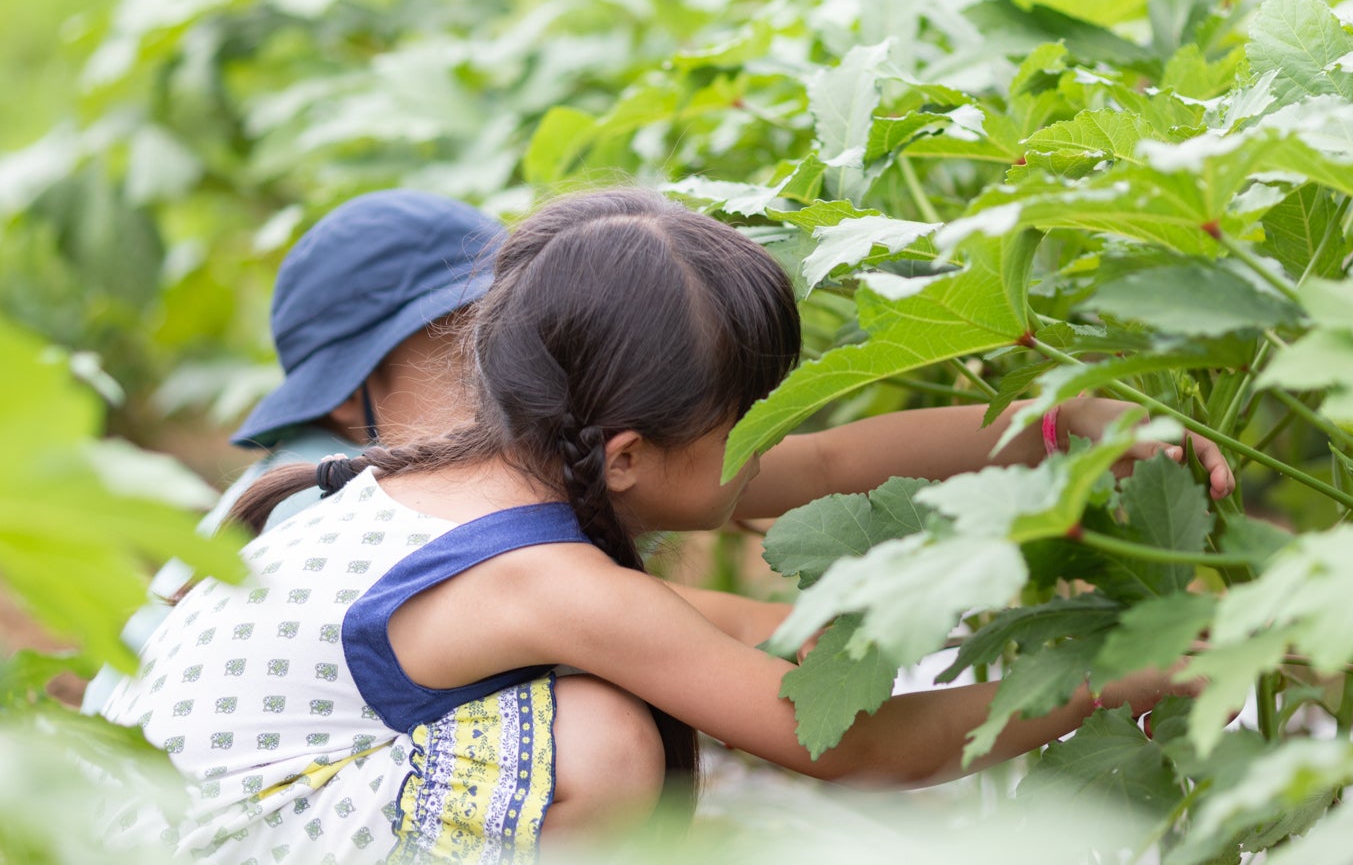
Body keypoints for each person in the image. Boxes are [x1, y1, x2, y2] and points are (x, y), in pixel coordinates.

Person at [99, 189, 1231, 863]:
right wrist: (1112, 671)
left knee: (579, 720)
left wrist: (1065, 421)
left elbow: (825, 463)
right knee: (596, 735)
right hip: (221, 841)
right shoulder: (543, 581)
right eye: (743, 419)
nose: (765, 442)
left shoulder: (457, 462)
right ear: (630, 455)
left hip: (135, 811)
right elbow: (848, 744)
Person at [81, 189, 504, 717]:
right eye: (465, 356)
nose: (508, 377)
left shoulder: (314, 464)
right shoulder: (345, 506)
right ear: (348, 391)